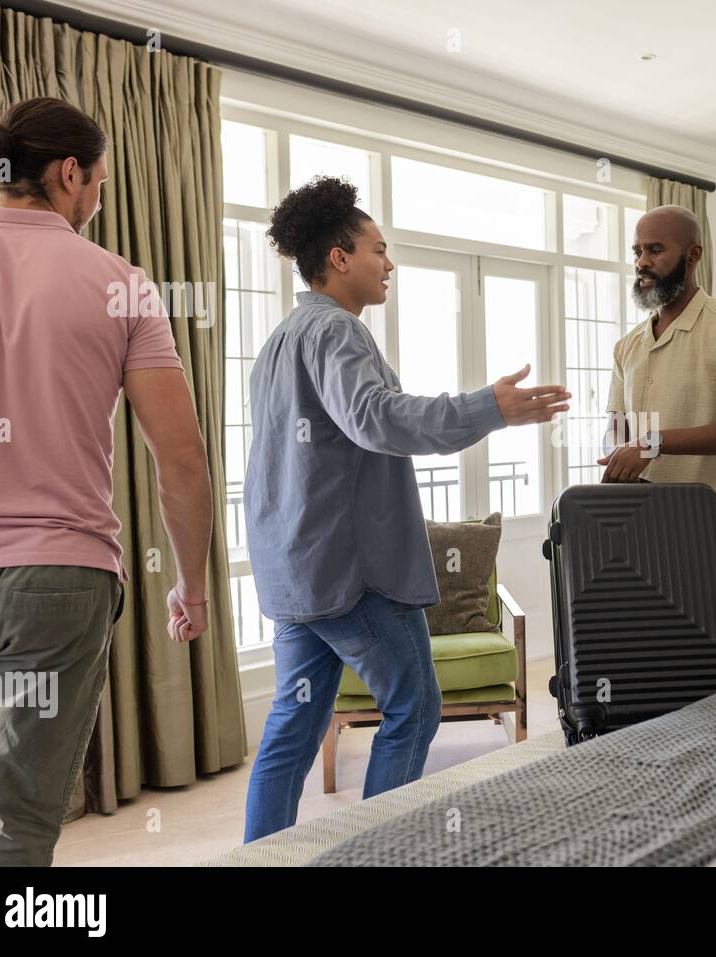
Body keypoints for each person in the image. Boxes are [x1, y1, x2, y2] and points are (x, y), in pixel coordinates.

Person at [242, 176, 570, 841]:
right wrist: (487, 408)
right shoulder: (338, 333)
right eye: (377, 249)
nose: (389, 264)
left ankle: (258, 857)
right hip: (351, 575)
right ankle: (376, 854)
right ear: (338, 257)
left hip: (296, 573)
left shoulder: (280, 340)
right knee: (415, 708)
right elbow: (374, 418)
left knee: (293, 725)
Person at [0, 98, 211, 865]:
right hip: (59, 579)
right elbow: (182, 460)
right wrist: (189, 587)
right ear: (71, 174)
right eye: (98, 180)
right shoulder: (121, 284)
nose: (97, 198)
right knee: (14, 824)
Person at [601, 205, 716, 584]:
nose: (642, 262)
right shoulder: (626, 346)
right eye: (636, 251)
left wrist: (651, 443)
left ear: (693, 255)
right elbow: (618, 432)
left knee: (696, 644)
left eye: (655, 250)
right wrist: (619, 454)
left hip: (702, 535)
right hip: (635, 528)